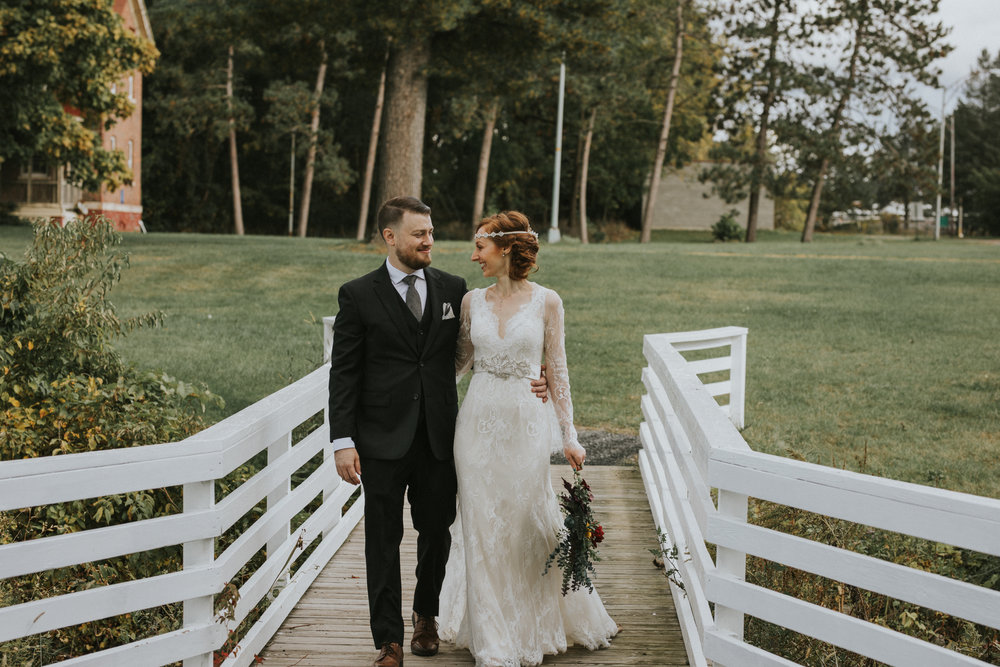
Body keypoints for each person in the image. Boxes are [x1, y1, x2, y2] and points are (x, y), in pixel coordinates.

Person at [328, 197, 546, 667]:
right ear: (391, 238)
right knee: (382, 539)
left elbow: (474, 353)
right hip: (381, 440)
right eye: (419, 234)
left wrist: (536, 375)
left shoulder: (454, 289)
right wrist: (342, 440)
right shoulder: (357, 294)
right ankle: (387, 640)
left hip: (441, 438)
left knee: (437, 532)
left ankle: (425, 615)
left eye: (430, 232)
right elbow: (344, 374)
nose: (430, 241)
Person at [438, 211, 618, 667]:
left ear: (506, 250)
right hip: (475, 426)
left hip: (526, 426)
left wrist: (570, 437)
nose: (473, 254)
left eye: (480, 246)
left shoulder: (548, 303)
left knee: (523, 526)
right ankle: (493, 639)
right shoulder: (470, 302)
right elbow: (457, 365)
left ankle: (531, 626)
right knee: (480, 526)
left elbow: (557, 371)